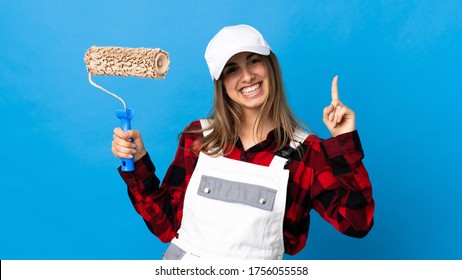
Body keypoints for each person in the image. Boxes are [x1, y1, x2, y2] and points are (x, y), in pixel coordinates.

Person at [111, 24, 375, 260]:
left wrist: (344, 143)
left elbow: (357, 222)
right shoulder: (199, 138)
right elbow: (166, 224)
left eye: (254, 61)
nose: (247, 76)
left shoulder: (306, 153)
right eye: (232, 69)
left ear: (270, 67)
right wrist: (138, 162)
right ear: (221, 84)